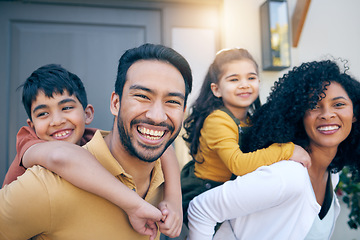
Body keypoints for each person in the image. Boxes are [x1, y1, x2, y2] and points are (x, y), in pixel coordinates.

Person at [0, 43, 192, 240]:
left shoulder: (160, 172)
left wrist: (174, 199)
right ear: (115, 103)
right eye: (143, 96)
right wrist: (134, 205)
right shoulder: (45, 183)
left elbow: (166, 148)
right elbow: (61, 156)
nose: (157, 116)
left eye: (172, 101)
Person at [187, 59, 360, 240]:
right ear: (299, 115)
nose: (327, 114)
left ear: (354, 114)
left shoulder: (332, 174)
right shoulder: (287, 175)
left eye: (339, 104)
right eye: (313, 106)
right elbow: (201, 209)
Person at [181, 48, 310, 226]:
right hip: (205, 192)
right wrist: (288, 150)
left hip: (231, 192)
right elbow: (239, 164)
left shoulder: (249, 119)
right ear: (216, 89)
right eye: (234, 79)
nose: (244, 84)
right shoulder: (217, 120)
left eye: (251, 78)